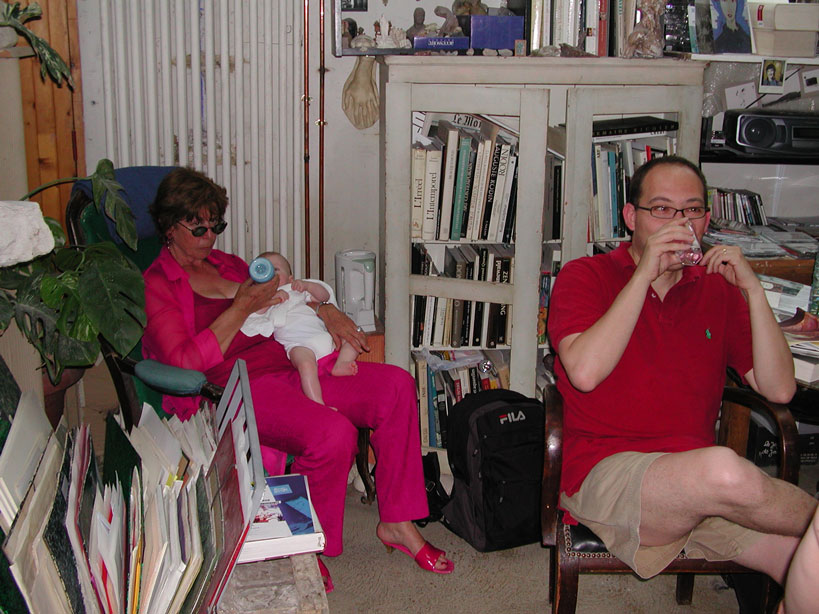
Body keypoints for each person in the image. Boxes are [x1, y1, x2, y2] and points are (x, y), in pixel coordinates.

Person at [142, 167, 454, 593]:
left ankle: (397, 522)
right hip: (237, 385)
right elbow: (183, 362)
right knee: (332, 434)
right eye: (198, 227)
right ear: (168, 226)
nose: (210, 236)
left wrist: (328, 312)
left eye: (216, 225)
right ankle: (305, 544)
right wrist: (240, 307)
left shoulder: (229, 264)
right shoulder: (158, 283)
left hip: (291, 362)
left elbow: (289, 298)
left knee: (396, 385)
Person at [547, 156, 817, 590]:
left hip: (698, 486)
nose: (679, 222)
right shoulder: (586, 275)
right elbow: (585, 373)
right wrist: (643, 275)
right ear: (631, 217)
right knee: (725, 470)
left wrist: (753, 290)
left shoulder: (717, 287)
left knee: (809, 568)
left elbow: (780, 388)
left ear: (706, 220)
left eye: (691, 210)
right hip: (607, 474)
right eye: (662, 209)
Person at [240, 251, 359, 407]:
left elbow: (324, 297)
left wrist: (307, 286)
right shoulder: (264, 300)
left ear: (290, 279)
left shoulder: (296, 291)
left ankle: (342, 363)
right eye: (265, 270)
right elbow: (253, 317)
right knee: (306, 366)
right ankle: (318, 404)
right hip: (299, 345)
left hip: (324, 336)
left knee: (353, 337)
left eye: (276, 270)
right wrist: (270, 299)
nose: (271, 275)